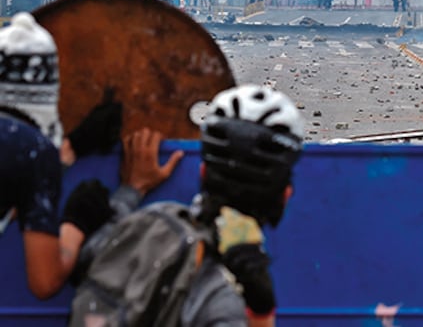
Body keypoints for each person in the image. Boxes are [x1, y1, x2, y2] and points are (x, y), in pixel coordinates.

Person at [72, 85, 304, 325]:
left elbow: (87, 257)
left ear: (203, 173)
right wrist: (261, 310)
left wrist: (129, 192)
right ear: (285, 195)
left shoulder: (147, 223)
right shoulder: (227, 298)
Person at [0, 13, 174, 299]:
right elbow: (45, 281)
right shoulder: (33, 152)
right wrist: (76, 224)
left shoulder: (29, 154)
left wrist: (71, 149)